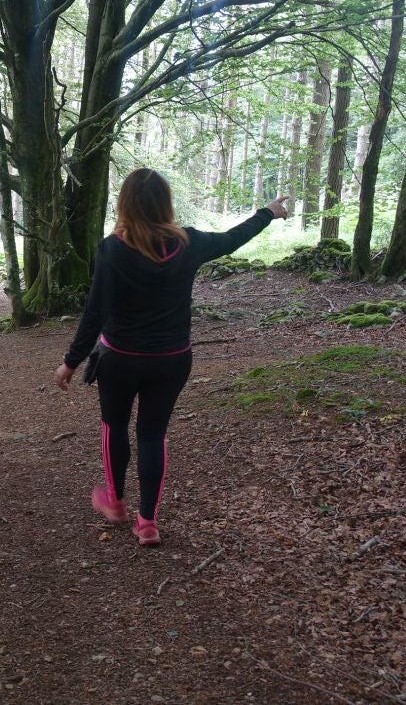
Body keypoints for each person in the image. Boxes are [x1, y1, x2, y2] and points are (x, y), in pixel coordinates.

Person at [53, 168, 289, 547]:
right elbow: (232, 239)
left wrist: (71, 360)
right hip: (171, 359)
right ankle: (147, 522)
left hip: (120, 358)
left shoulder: (112, 248)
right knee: (152, 433)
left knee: (114, 425)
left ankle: (115, 504)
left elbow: (96, 311)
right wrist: (268, 212)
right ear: (166, 203)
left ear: (124, 204)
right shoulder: (188, 243)